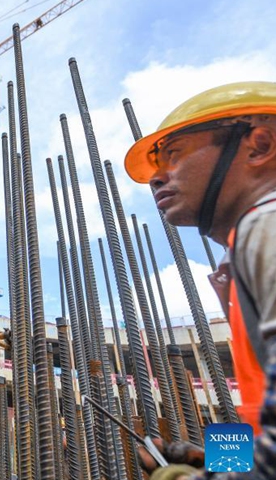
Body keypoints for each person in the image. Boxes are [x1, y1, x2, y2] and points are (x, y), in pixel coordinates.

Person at [124, 82, 276, 479]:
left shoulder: (269, 228)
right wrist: (220, 463)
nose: (156, 178)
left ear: (259, 146)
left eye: (173, 154)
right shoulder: (247, 247)